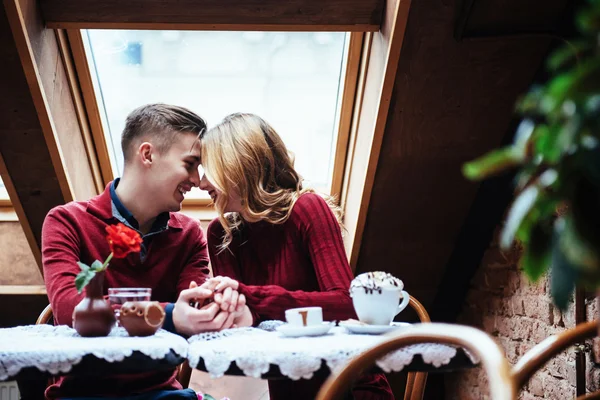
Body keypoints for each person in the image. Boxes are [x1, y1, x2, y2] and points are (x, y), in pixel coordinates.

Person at [41, 104, 248, 400]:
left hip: (164, 394)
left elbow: (192, 313)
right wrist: (170, 315)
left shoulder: (189, 234)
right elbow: (71, 309)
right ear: (147, 154)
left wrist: (216, 306)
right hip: (83, 394)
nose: (197, 180)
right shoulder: (66, 221)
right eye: (190, 164)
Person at [198, 113, 395, 400]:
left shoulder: (307, 209)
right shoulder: (221, 235)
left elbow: (348, 303)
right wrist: (213, 303)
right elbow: (243, 324)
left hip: (347, 385)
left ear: (239, 165)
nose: (202, 184)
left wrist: (252, 296)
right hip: (286, 387)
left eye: (209, 170)